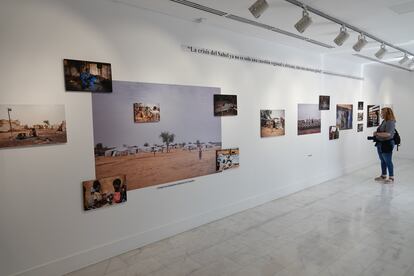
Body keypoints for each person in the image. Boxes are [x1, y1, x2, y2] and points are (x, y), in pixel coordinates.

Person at [374, 107, 396, 184]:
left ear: (387, 113)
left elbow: (388, 134)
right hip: (380, 143)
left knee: (388, 161)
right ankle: (383, 175)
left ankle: (391, 177)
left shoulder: (390, 122)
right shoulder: (384, 121)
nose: (381, 114)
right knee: (382, 160)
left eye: (382, 112)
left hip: (387, 144)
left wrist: (377, 134)